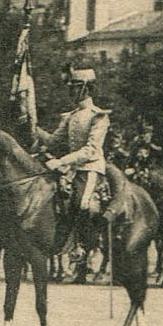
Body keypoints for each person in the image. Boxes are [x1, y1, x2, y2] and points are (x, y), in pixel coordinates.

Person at [34, 67, 113, 219]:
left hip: (90, 168)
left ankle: (90, 243)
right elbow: (53, 141)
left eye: (74, 88)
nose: (71, 93)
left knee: (82, 204)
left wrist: (60, 161)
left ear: (85, 89)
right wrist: (34, 128)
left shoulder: (98, 116)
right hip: (72, 169)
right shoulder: (71, 116)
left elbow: (90, 150)